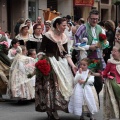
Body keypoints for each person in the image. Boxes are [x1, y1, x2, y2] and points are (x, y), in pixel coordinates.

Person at [35, 17, 77, 120]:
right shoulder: (48, 36)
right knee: (51, 87)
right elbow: (41, 50)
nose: (65, 27)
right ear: (57, 25)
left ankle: (56, 109)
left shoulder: (65, 37)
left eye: (66, 25)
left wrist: (73, 66)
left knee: (65, 85)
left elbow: (66, 54)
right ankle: (51, 110)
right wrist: (39, 64)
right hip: (50, 62)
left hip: (62, 63)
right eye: (63, 25)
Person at [74, 9, 104, 107]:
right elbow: (75, 44)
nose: (94, 21)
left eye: (96, 19)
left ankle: (93, 100)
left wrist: (103, 44)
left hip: (97, 58)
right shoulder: (82, 28)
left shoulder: (100, 28)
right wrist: (88, 47)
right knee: (85, 82)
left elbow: (105, 42)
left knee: (98, 82)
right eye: (92, 19)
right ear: (88, 19)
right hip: (85, 59)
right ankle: (86, 106)